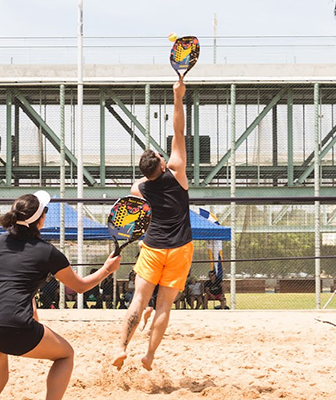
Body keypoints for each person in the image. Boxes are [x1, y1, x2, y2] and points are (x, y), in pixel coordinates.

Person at [0, 190, 121, 400]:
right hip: (13, 325)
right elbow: (79, 286)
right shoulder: (47, 252)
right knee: (65, 355)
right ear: (40, 221)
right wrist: (106, 269)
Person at [112, 75, 193, 372]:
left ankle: (121, 347)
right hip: (180, 248)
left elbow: (131, 210)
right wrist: (178, 96)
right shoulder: (178, 172)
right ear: (162, 165)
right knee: (163, 307)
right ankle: (148, 356)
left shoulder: (140, 188)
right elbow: (178, 130)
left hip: (153, 247)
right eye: (161, 156)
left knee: (138, 301)